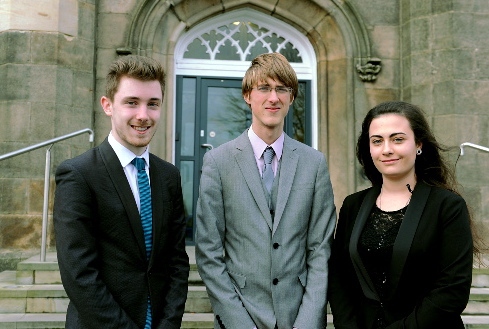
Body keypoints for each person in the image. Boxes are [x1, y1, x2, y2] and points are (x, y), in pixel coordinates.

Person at [195, 52, 337, 329]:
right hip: (240, 314)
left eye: (282, 89)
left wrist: (307, 322)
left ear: (291, 97)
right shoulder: (218, 162)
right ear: (248, 95)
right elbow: (209, 253)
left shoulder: (314, 163)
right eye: (264, 88)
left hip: (299, 315)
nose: (273, 98)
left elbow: (320, 249)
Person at [53, 55, 189, 329]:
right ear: (108, 105)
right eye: (131, 102)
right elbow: (79, 274)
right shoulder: (78, 175)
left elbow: (177, 263)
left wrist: (169, 324)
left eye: (153, 104)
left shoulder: (169, 176)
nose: (143, 115)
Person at [328, 101, 477, 328]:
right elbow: (340, 280)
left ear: (418, 144)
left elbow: (452, 292)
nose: (386, 149)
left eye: (397, 139)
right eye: (377, 141)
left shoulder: (447, 206)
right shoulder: (352, 205)